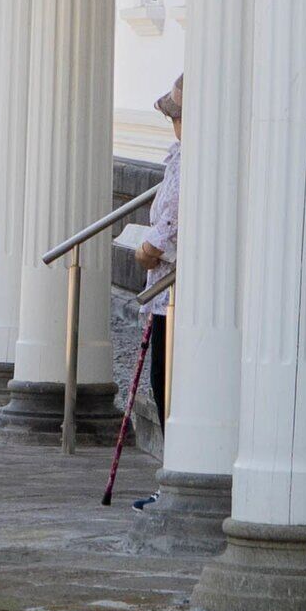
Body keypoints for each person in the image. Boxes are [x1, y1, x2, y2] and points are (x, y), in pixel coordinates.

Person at [132, 77, 180, 424]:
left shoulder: (193, 158)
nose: (172, 122)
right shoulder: (180, 155)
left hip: (175, 291)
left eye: (175, 115)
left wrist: (147, 249)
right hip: (165, 288)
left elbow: (174, 214)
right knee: (162, 381)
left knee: (167, 384)